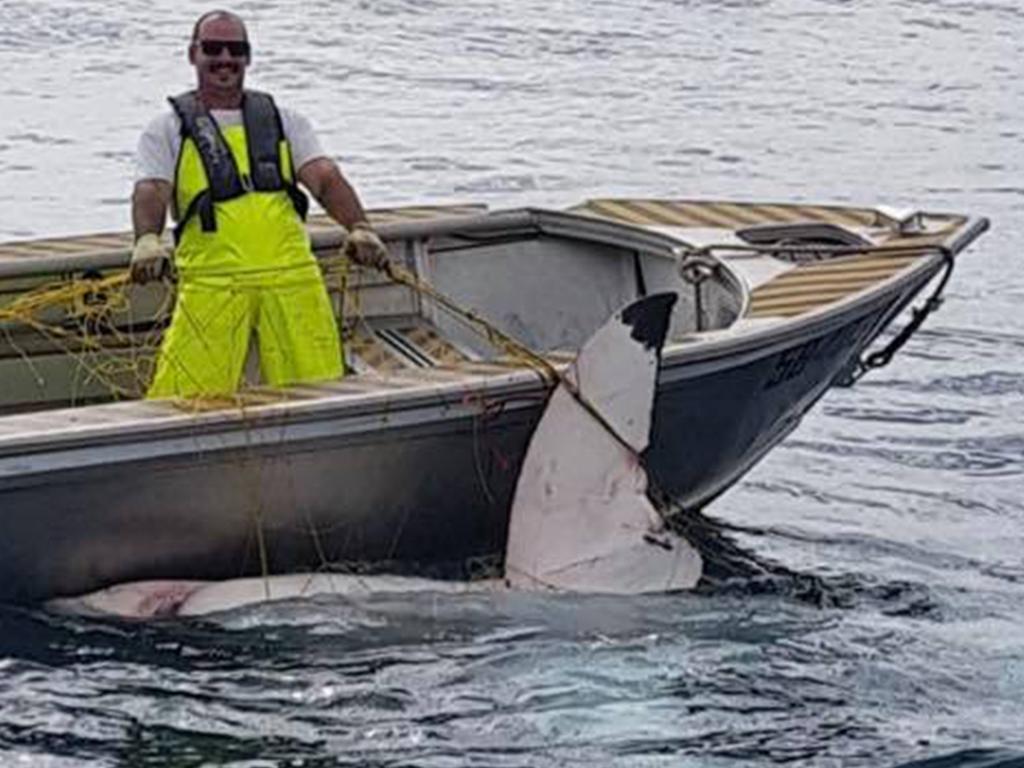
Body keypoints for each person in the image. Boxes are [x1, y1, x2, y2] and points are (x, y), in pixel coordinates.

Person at [130, 9, 387, 398]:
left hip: (292, 278)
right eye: (213, 49)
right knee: (184, 401)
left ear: (248, 57)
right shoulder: (167, 129)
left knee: (321, 393)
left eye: (236, 50)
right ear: (192, 54)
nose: (225, 59)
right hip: (214, 284)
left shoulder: (285, 120)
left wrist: (360, 227)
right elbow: (152, 188)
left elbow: (324, 177)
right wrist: (147, 239)